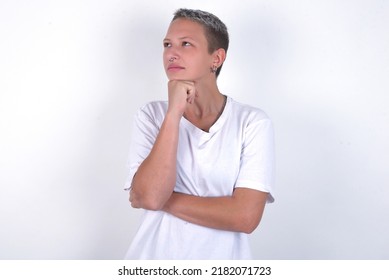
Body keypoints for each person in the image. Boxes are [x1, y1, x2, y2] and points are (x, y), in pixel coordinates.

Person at [124, 8, 275, 259]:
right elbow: (149, 196)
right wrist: (173, 114)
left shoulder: (251, 123)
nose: (172, 53)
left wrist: (159, 199)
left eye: (186, 44)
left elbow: (245, 217)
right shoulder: (151, 116)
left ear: (216, 58)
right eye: (167, 44)